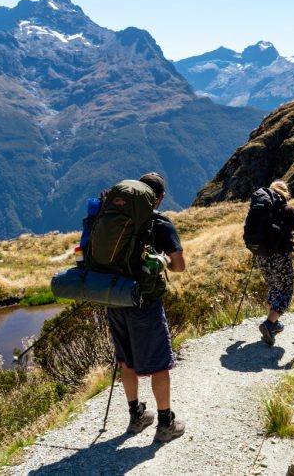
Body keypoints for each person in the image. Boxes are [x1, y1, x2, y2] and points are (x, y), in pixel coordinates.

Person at [105, 172, 187, 443]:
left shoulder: (113, 219)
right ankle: (165, 423)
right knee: (159, 363)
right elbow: (179, 266)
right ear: (159, 198)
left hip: (113, 298)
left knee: (126, 360)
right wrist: (162, 259)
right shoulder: (159, 224)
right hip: (143, 302)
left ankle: (136, 416)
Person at [256, 180, 294, 346]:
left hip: (261, 256)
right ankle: (269, 324)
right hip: (281, 256)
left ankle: (273, 323)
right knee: (286, 290)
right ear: (286, 193)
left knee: (274, 287)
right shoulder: (287, 209)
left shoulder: (261, 209)